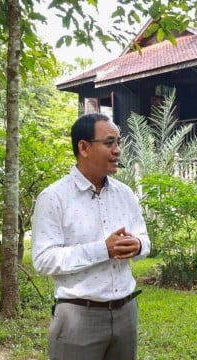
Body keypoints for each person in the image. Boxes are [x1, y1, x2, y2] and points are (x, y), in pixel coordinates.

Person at [31, 113, 151, 360]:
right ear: (83, 147)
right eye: (109, 143)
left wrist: (137, 245)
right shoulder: (54, 197)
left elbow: (145, 239)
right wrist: (103, 249)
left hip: (126, 312)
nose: (117, 150)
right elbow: (43, 259)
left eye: (118, 143)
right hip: (78, 317)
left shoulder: (125, 194)